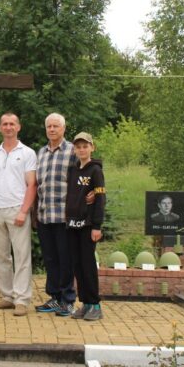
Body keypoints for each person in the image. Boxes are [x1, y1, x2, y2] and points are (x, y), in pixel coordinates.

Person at [0, 113, 37, 316]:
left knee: (22, 256)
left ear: (18, 127)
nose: (8, 127)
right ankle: (7, 297)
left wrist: (24, 211)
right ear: (0, 128)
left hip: (17, 209)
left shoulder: (28, 153)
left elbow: (32, 184)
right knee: (0, 257)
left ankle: (21, 299)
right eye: (4, 124)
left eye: (12, 124)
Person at [34, 113, 77, 317]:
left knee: (65, 259)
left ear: (63, 129)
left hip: (64, 216)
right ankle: (54, 297)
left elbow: (82, 178)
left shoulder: (72, 151)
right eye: (49, 126)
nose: (52, 129)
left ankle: (68, 300)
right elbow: (38, 184)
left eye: (56, 126)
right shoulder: (41, 153)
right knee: (50, 259)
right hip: (44, 215)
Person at [65, 132, 106, 321]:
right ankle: (85, 303)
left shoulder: (95, 171)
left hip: (88, 226)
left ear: (92, 148)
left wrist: (97, 225)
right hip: (73, 224)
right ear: (74, 149)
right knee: (78, 265)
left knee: (88, 265)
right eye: (78, 147)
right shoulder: (72, 170)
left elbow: (100, 198)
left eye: (85, 146)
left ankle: (95, 305)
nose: (82, 150)